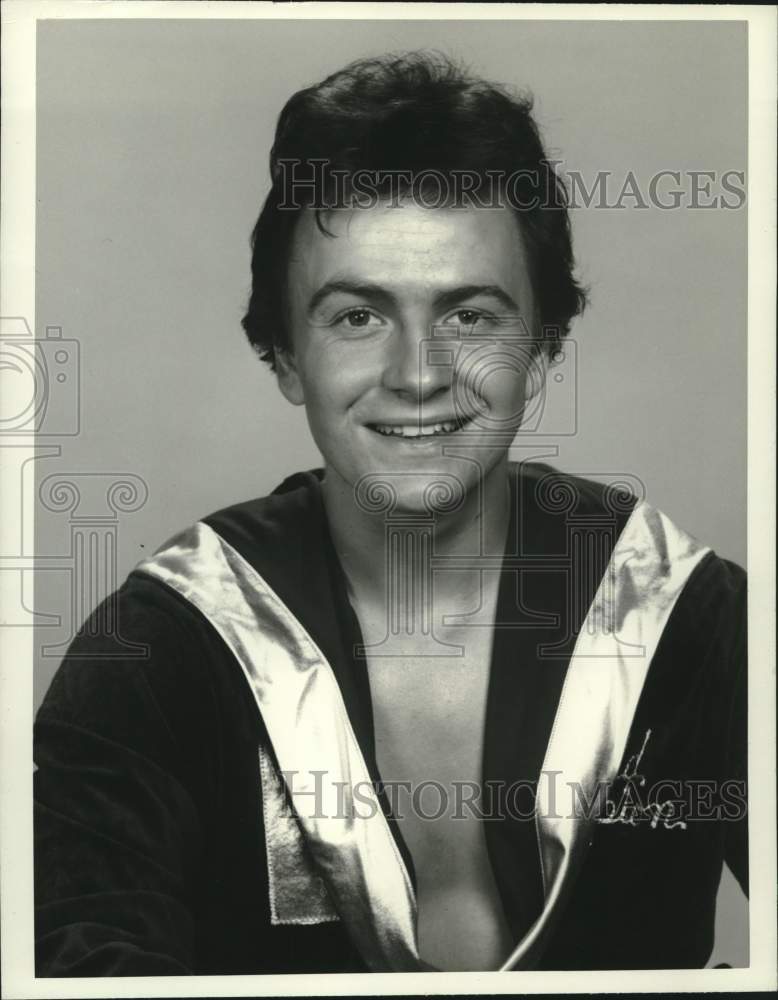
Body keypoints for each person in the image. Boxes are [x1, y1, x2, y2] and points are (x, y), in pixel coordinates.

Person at [34, 52, 747, 975]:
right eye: (357, 317)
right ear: (285, 354)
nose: (419, 374)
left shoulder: (688, 617)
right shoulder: (159, 652)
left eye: (472, 316)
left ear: (542, 349)